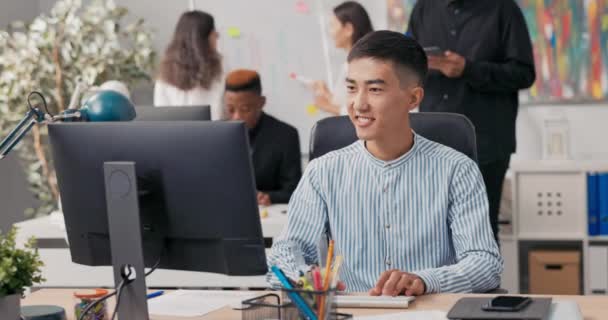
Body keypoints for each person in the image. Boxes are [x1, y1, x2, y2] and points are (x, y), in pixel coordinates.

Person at [267, 31, 502, 295]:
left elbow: (484, 264)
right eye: (352, 88)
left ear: (413, 98)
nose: (358, 104)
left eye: (375, 89)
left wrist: (424, 281)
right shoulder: (322, 172)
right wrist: (303, 277)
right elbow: (285, 252)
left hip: (426, 312)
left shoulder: (457, 170)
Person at [407, 0, 536, 242]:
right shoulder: (424, 9)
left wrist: (469, 69)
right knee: (432, 235)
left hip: (485, 143)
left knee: (481, 232)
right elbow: (406, 62)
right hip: (432, 143)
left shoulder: (504, 10)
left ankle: (484, 282)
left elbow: (524, 73)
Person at [224, 69, 302, 205]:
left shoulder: (286, 135)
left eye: (245, 109)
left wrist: (270, 197)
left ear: (261, 102)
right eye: (231, 109)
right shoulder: (217, 135)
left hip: (269, 214)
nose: (236, 117)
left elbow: (294, 191)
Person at [154, 10, 225, 120]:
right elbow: (160, 117)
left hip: (214, 133)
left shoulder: (221, 67)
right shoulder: (164, 76)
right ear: (201, 39)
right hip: (181, 135)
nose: (217, 35)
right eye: (213, 31)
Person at [311, 1, 373, 115]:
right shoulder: (351, 63)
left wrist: (328, 106)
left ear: (348, 29)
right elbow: (348, 103)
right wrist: (327, 95)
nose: (330, 32)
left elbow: (365, 111)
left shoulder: (363, 65)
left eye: (333, 26)